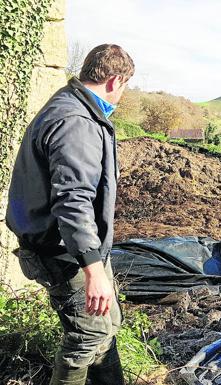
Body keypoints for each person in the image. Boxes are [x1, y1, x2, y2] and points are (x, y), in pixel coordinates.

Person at [6, 44, 134, 385]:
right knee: (88, 336)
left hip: (75, 245)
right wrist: (93, 267)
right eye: (124, 86)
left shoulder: (71, 104)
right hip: (63, 250)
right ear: (115, 80)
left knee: (108, 325)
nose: (122, 95)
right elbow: (72, 199)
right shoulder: (76, 121)